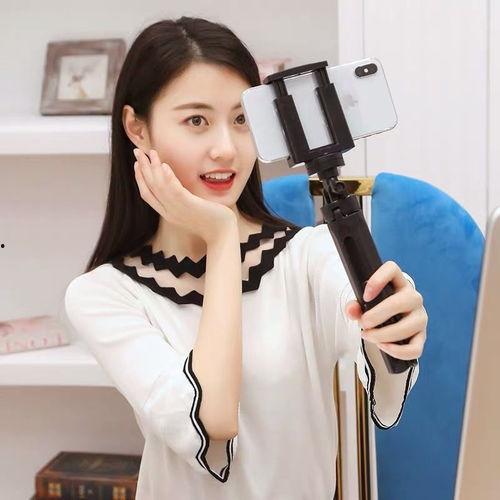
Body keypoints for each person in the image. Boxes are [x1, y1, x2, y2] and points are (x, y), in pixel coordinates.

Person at [64, 16, 428, 500]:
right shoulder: (103, 295)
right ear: (137, 128)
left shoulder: (308, 257)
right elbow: (212, 421)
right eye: (196, 121)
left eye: (241, 120)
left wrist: (400, 326)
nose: (226, 149)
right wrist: (220, 238)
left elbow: (383, 358)